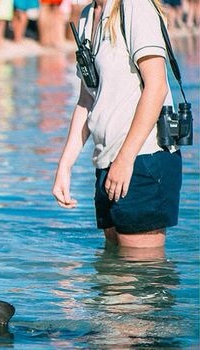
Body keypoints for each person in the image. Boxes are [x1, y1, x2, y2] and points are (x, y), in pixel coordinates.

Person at [52, 0, 181, 249]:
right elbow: (87, 98)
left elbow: (157, 87)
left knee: (138, 275)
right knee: (112, 275)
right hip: (107, 161)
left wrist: (125, 159)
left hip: (143, 159)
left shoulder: (135, 6)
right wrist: (65, 166)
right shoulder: (88, 15)